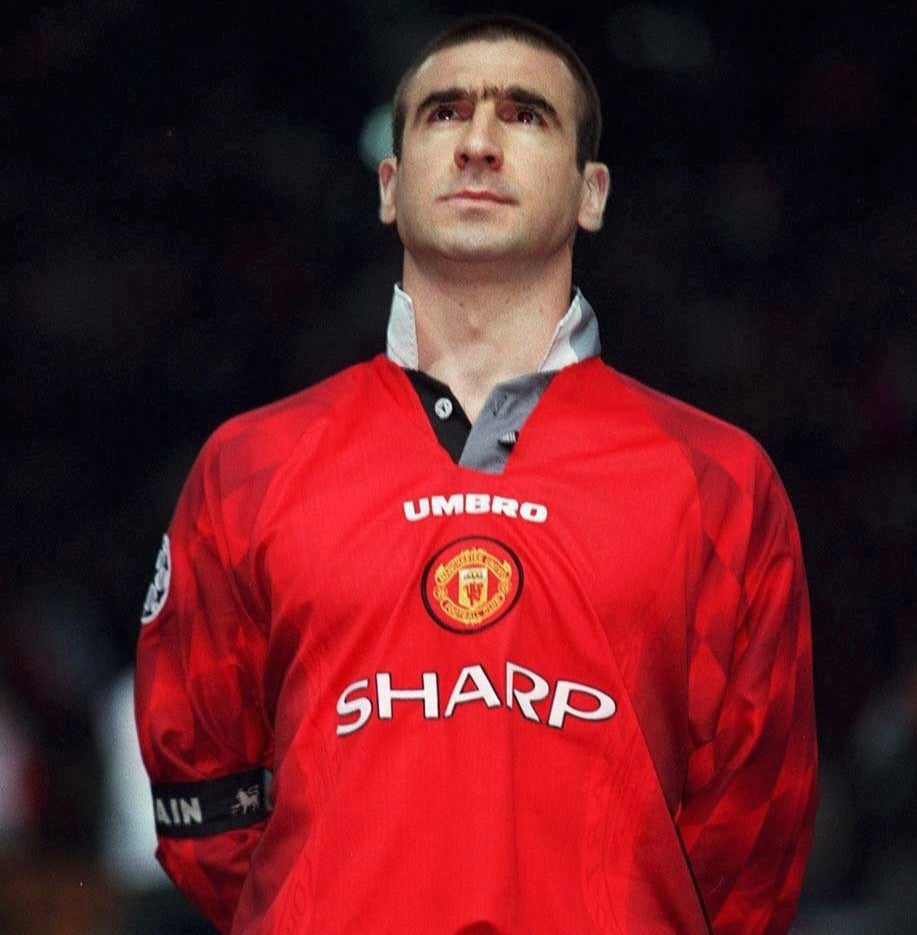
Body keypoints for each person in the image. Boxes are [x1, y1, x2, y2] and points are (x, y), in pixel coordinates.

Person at [134, 14, 818, 935]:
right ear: (389, 186)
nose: (479, 144)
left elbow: (753, 834)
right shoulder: (249, 465)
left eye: (526, 115)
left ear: (591, 193)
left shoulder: (717, 479)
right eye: (444, 113)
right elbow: (204, 804)